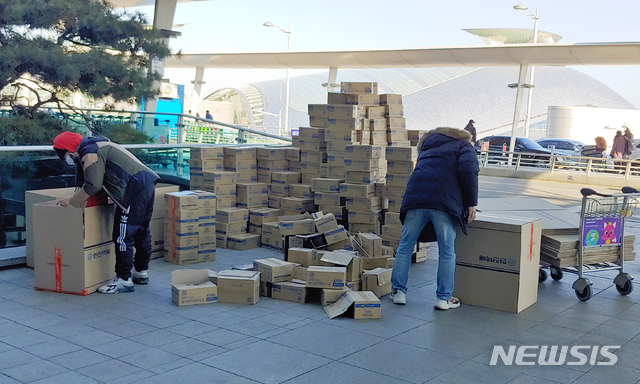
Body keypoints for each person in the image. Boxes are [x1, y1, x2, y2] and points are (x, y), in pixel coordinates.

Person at [53, 131, 159, 294]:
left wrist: (73, 201)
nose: (65, 158)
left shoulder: (89, 152)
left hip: (133, 189)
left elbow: (93, 184)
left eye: (63, 153)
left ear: (68, 149)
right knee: (142, 230)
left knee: (122, 236)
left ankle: (124, 280)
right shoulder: (96, 144)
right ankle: (141, 272)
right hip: (145, 184)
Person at [390, 127, 479, 309]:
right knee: (446, 251)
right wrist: (471, 203)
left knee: (405, 247)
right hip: (443, 202)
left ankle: (398, 292)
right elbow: (469, 171)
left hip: (415, 199)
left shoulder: (427, 148)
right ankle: (443, 298)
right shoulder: (464, 146)